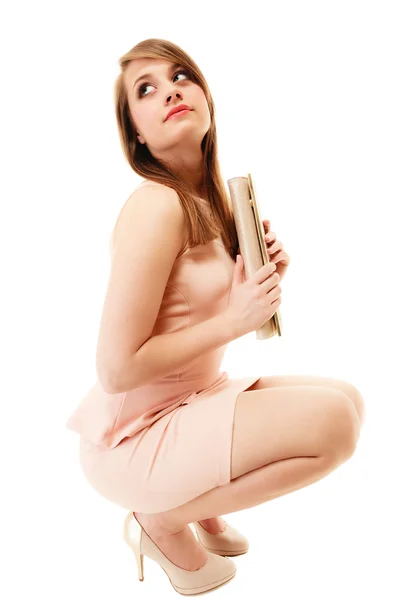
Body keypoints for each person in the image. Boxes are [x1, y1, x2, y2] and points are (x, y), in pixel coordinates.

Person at [66, 38, 366, 595]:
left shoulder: (214, 204)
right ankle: (161, 519)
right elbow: (115, 370)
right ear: (135, 131)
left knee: (349, 400)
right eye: (146, 88)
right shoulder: (156, 205)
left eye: (182, 75)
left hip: (191, 400)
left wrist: (262, 280)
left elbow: (206, 316)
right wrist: (233, 320)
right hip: (133, 440)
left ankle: (198, 505)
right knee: (335, 427)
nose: (171, 89)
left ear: (205, 96)